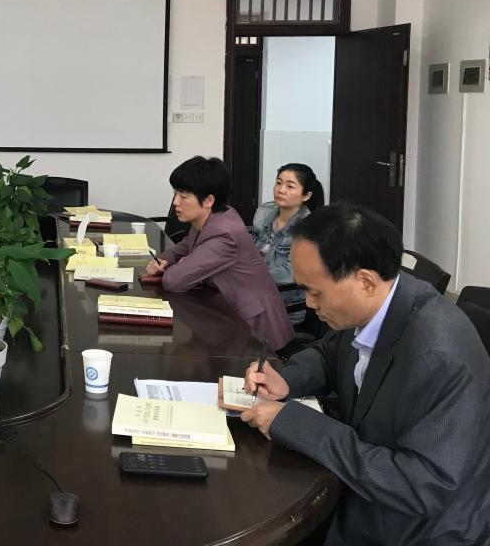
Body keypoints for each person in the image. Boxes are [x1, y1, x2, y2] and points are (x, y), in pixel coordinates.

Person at [241, 202, 490, 545]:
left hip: (414, 529)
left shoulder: (438, 357)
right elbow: (331, 354)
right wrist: (287, 380)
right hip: (358, 488)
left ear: (365, 281)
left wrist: (295, 423)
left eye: (315, 292)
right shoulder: (378, 303)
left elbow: (421, 486)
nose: (309, 303)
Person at [142, 156, 293, 349]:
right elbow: (187, 244)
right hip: (227, 314)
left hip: (255, 329)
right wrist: (164, 259)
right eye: (175, 194)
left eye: (183, 197)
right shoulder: (214, 216)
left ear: (208, 200)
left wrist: (174, 267)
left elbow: (173, 281)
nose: (175, 202)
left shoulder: (225, 234)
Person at [250, 163, 325, 322]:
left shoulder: (309, 227)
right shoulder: (263, 212)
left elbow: (292, 272)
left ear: (306, 196)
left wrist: (249, 275)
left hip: (286, 304)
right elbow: (250, 248)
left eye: (290, 186)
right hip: (254, 294)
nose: (281, 190)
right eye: (278, 183)